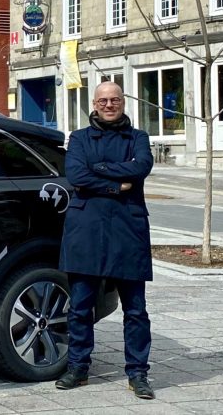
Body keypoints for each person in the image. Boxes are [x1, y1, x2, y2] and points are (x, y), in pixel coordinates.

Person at [56, 80, 155, 400]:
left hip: (128, 229)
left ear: (123, 103)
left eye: (114, 100)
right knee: (81, 306)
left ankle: (138, 372)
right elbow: (77, 176)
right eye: (103, 100)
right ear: (94, 104)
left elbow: (141, 167)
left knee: (136, 310)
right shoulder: (80, 138)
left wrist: (99, 169)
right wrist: (117, 184)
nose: (109, 105)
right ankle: (78, 367)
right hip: (87, 231)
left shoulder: (138, 137)